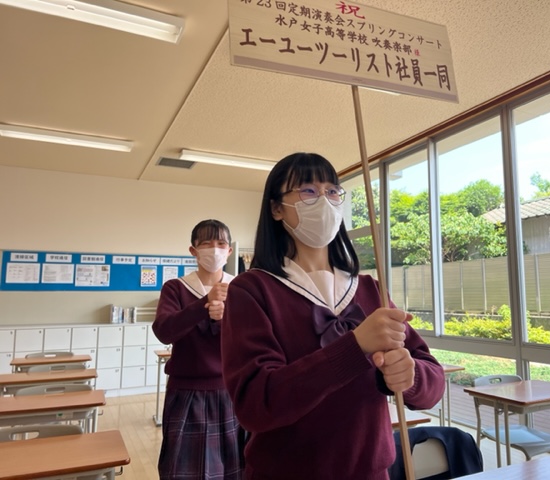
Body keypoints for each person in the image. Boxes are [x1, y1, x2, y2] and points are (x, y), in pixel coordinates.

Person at [221, 152, 445, 480]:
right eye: (308, 191)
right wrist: (354, 347)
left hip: (371, 472)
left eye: (332, 191)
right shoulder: (252, 290)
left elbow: (433, 381)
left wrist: (410, 378)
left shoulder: (370, 289)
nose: (324, 201)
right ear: (276, 208)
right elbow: (256, 405)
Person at [153, 219, 244, 480]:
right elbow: (164, 331)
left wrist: (225, 320)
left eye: (221, 243)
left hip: (230, 392)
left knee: (234, 469)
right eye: (206, 243)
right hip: (187, 393)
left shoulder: (239, 288)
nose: (214, 249)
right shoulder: (176, 288)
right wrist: (205, 304)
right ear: (193, 250)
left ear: (229, 251)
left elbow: (251, 339)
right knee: (183, 471)